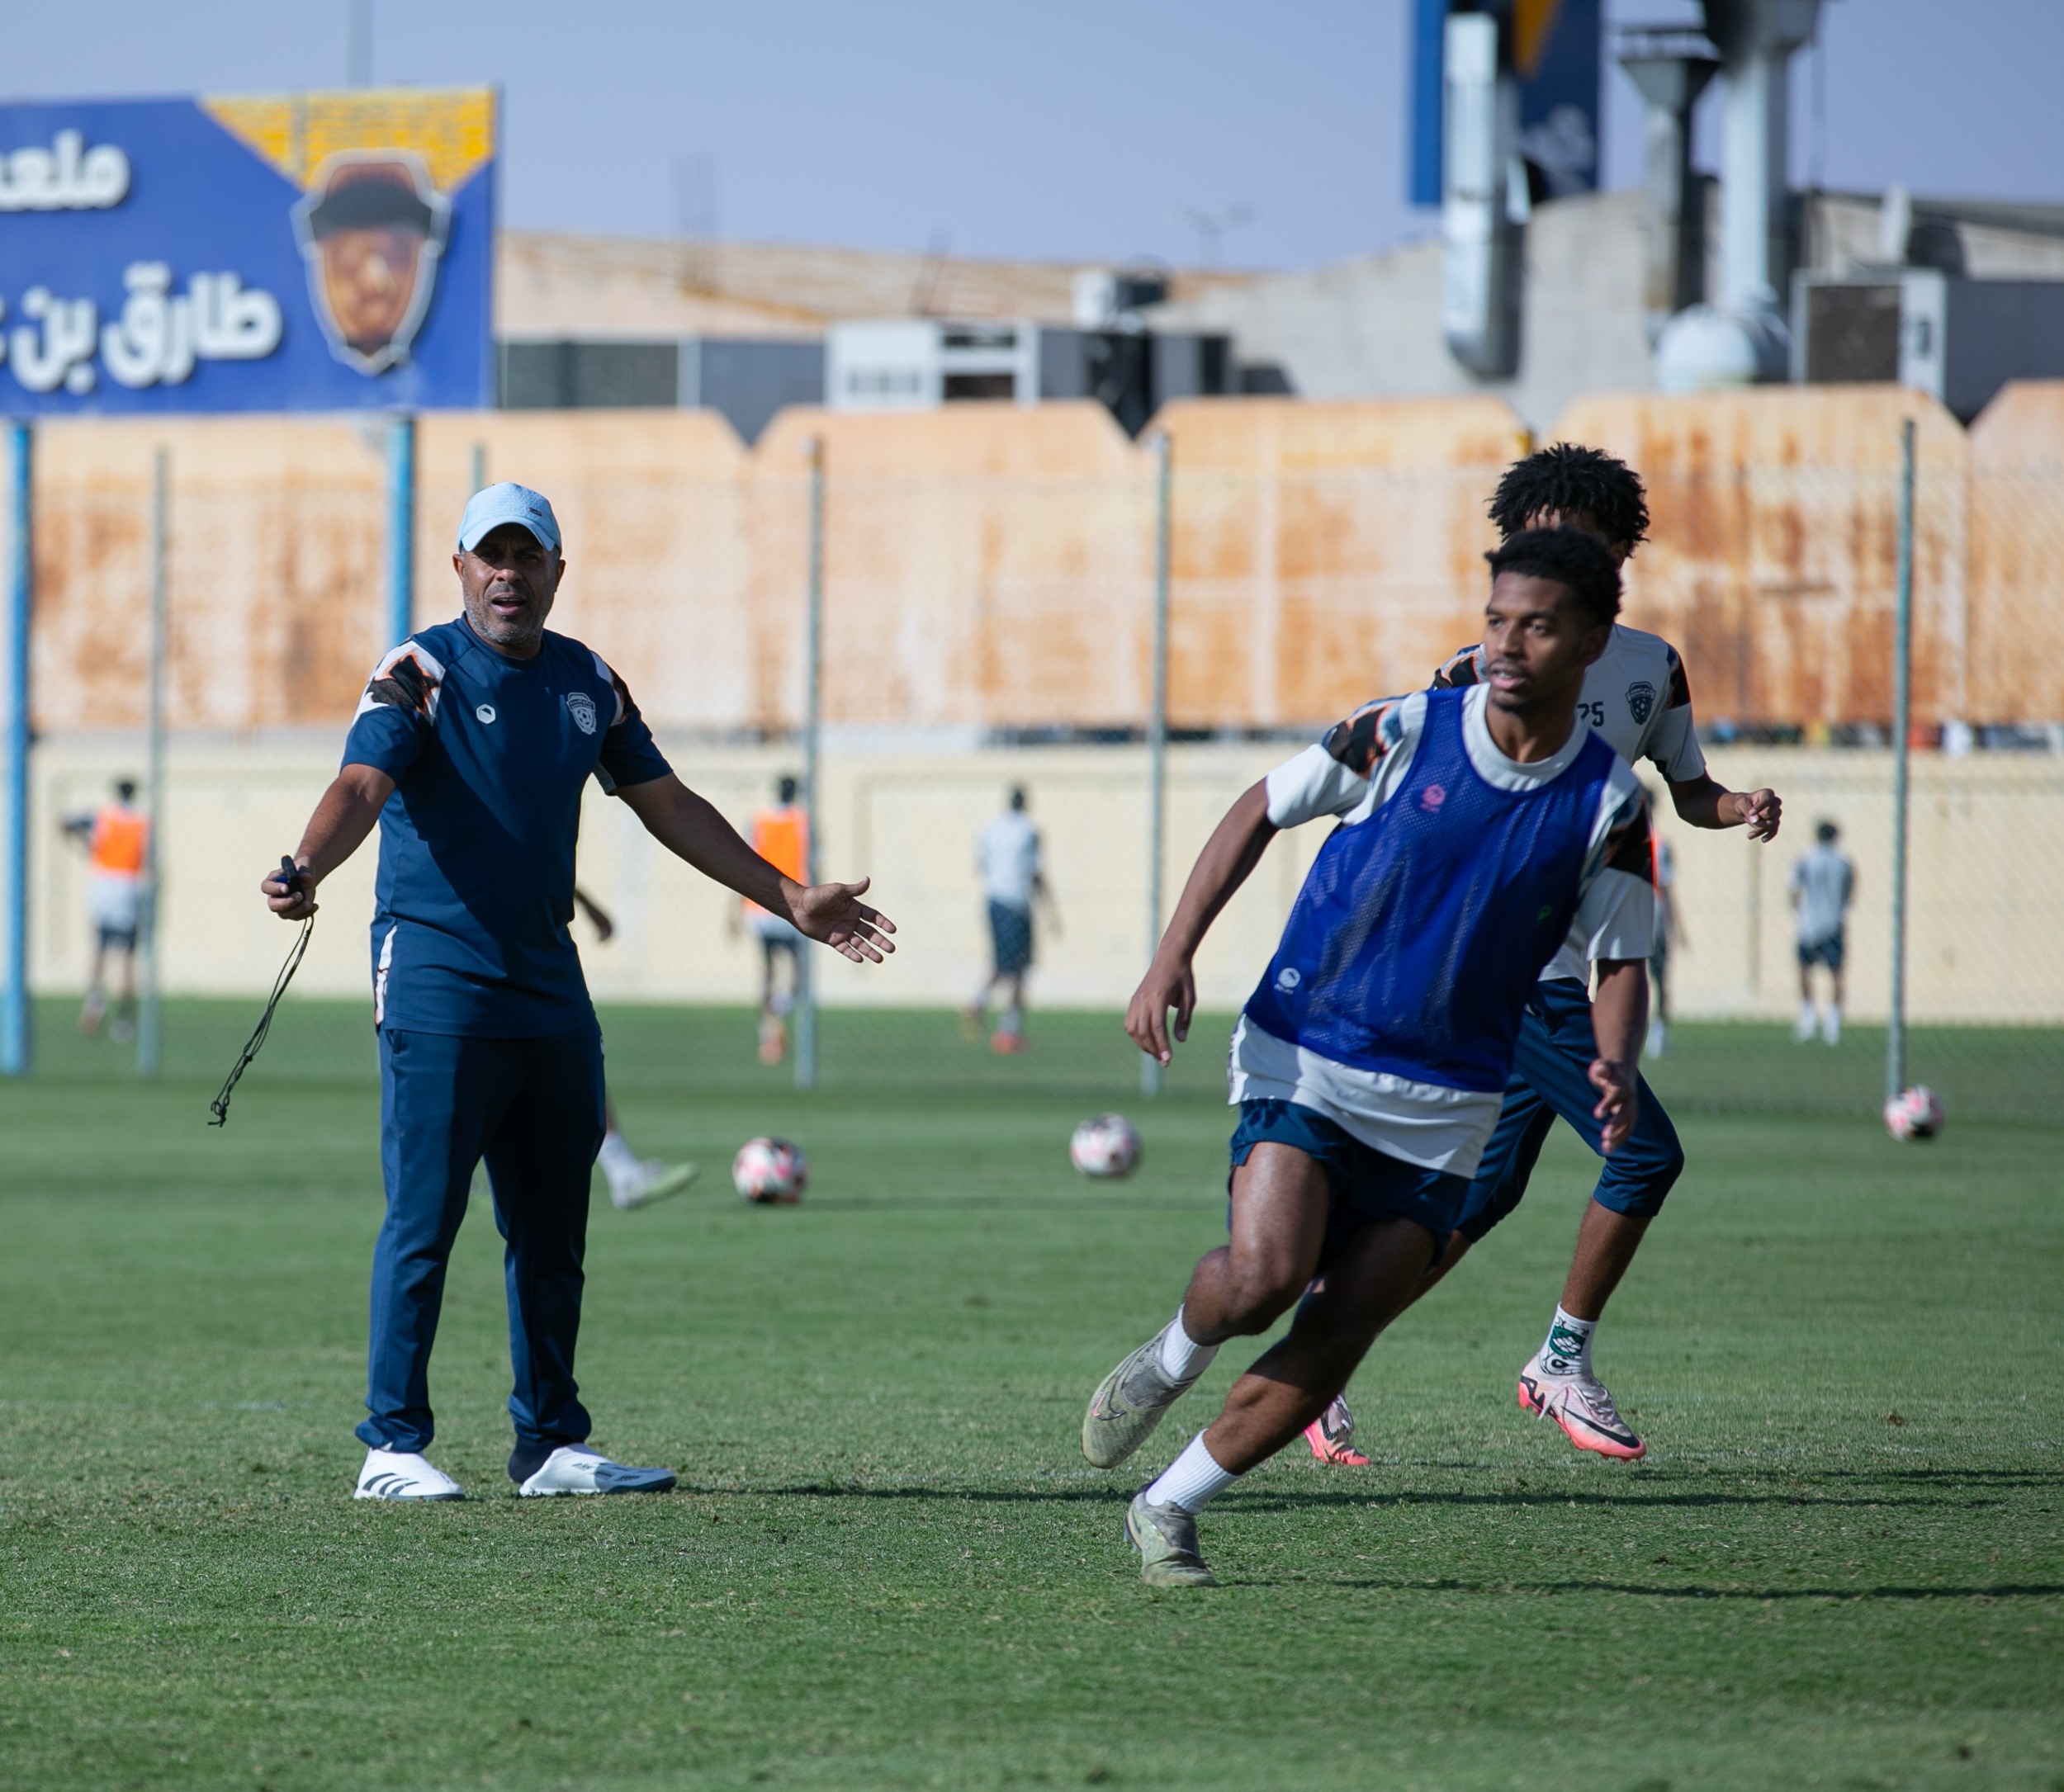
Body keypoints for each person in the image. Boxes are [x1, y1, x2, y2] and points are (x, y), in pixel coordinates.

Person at [261, 482, 894, 1503]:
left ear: (559, 570)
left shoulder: (589, 681)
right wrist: (305, 867)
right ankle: (391, 1444)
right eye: (490, 556)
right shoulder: (417, 671)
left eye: (529, 556)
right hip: (437, 974)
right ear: (460, 567)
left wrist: (788, 898)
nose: (509, 574)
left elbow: (669, 804)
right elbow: (359, 785)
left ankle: (550, 1442)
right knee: (425, 1216)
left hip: (548, 984)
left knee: (554, 1230)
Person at [1082, 527, 1655, 1586]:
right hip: (1310, 1047)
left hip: (1447, 1104)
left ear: (1592, 641)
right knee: (1263, 1279)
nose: (1508, 643)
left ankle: (1166, 1508)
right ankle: (1173, 1354)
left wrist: (1614, 1059)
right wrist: (1172, 954)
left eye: (1538, 625)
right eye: (1496, 620)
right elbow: (1258, 806)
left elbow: (1621, 954)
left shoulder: (1613, 804)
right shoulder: (1398, 731)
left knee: (1342, 1328)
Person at [1308, 444, 1783, 1468]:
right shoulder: (1475, 673)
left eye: (1591, 543)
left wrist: (1734, 804)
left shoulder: (1651, 665)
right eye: (1544, 541)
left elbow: (1685, 784)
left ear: (1618, 554)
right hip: (1526, 969)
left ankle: (1323, 1352)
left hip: (1591, 952)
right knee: (1645, 1151)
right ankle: (1560, 1359)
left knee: (1477, 1199)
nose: (1564, 558)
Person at [570, 886, 700, 1212]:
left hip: (530, 948)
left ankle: (623, 1172)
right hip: (480, 954)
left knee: (575, 1054)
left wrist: (586, 903)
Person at [965, 786, 1055, 1054]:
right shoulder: (1029, 830)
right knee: (1017, 970)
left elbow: (980, 866)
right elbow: (1036, 872)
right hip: (1017, 904)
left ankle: (982, 1006)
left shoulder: (990, 828)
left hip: (994, 901)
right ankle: (1006, 1031)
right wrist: (1050, 911)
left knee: (1004, 965)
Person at [64, 778, 149, 1043]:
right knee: (125, 955)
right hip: (128, 885)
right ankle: (123, 1021)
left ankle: (95, 1003)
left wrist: (87, 847)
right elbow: (149, 858)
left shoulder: (103, 817)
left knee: (99, 947)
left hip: (102, 885)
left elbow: (66, 824)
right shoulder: (141, 822)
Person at [739, 777, 807, 1066]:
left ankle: (770, 1025)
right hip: (786, 906)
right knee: (794, 974)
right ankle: (773, 1024)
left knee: (771, 973)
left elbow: (740, 863)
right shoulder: (802, 821)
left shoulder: (761, 820)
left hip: (762, 905)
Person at [1792, 820, 1854, 1044]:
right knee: (1836, 974)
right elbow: (1849, 891)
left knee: (1804, 971)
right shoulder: (1843, 863)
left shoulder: (1807, 860)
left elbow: (1794, 890)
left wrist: (1799, 912)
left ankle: (1807, 1017)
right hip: (1834, 923)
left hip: (1809, 923)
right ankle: (1833, 1022)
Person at [1645, 809, 1681, 1060]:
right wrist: (1675, 925)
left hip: (1632, 913)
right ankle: (1657, 1030)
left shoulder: (1616, 834)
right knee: (1658, 978)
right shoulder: (1661, 844)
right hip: (1653, 914)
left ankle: (1656, 1031)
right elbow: (1666, 888)